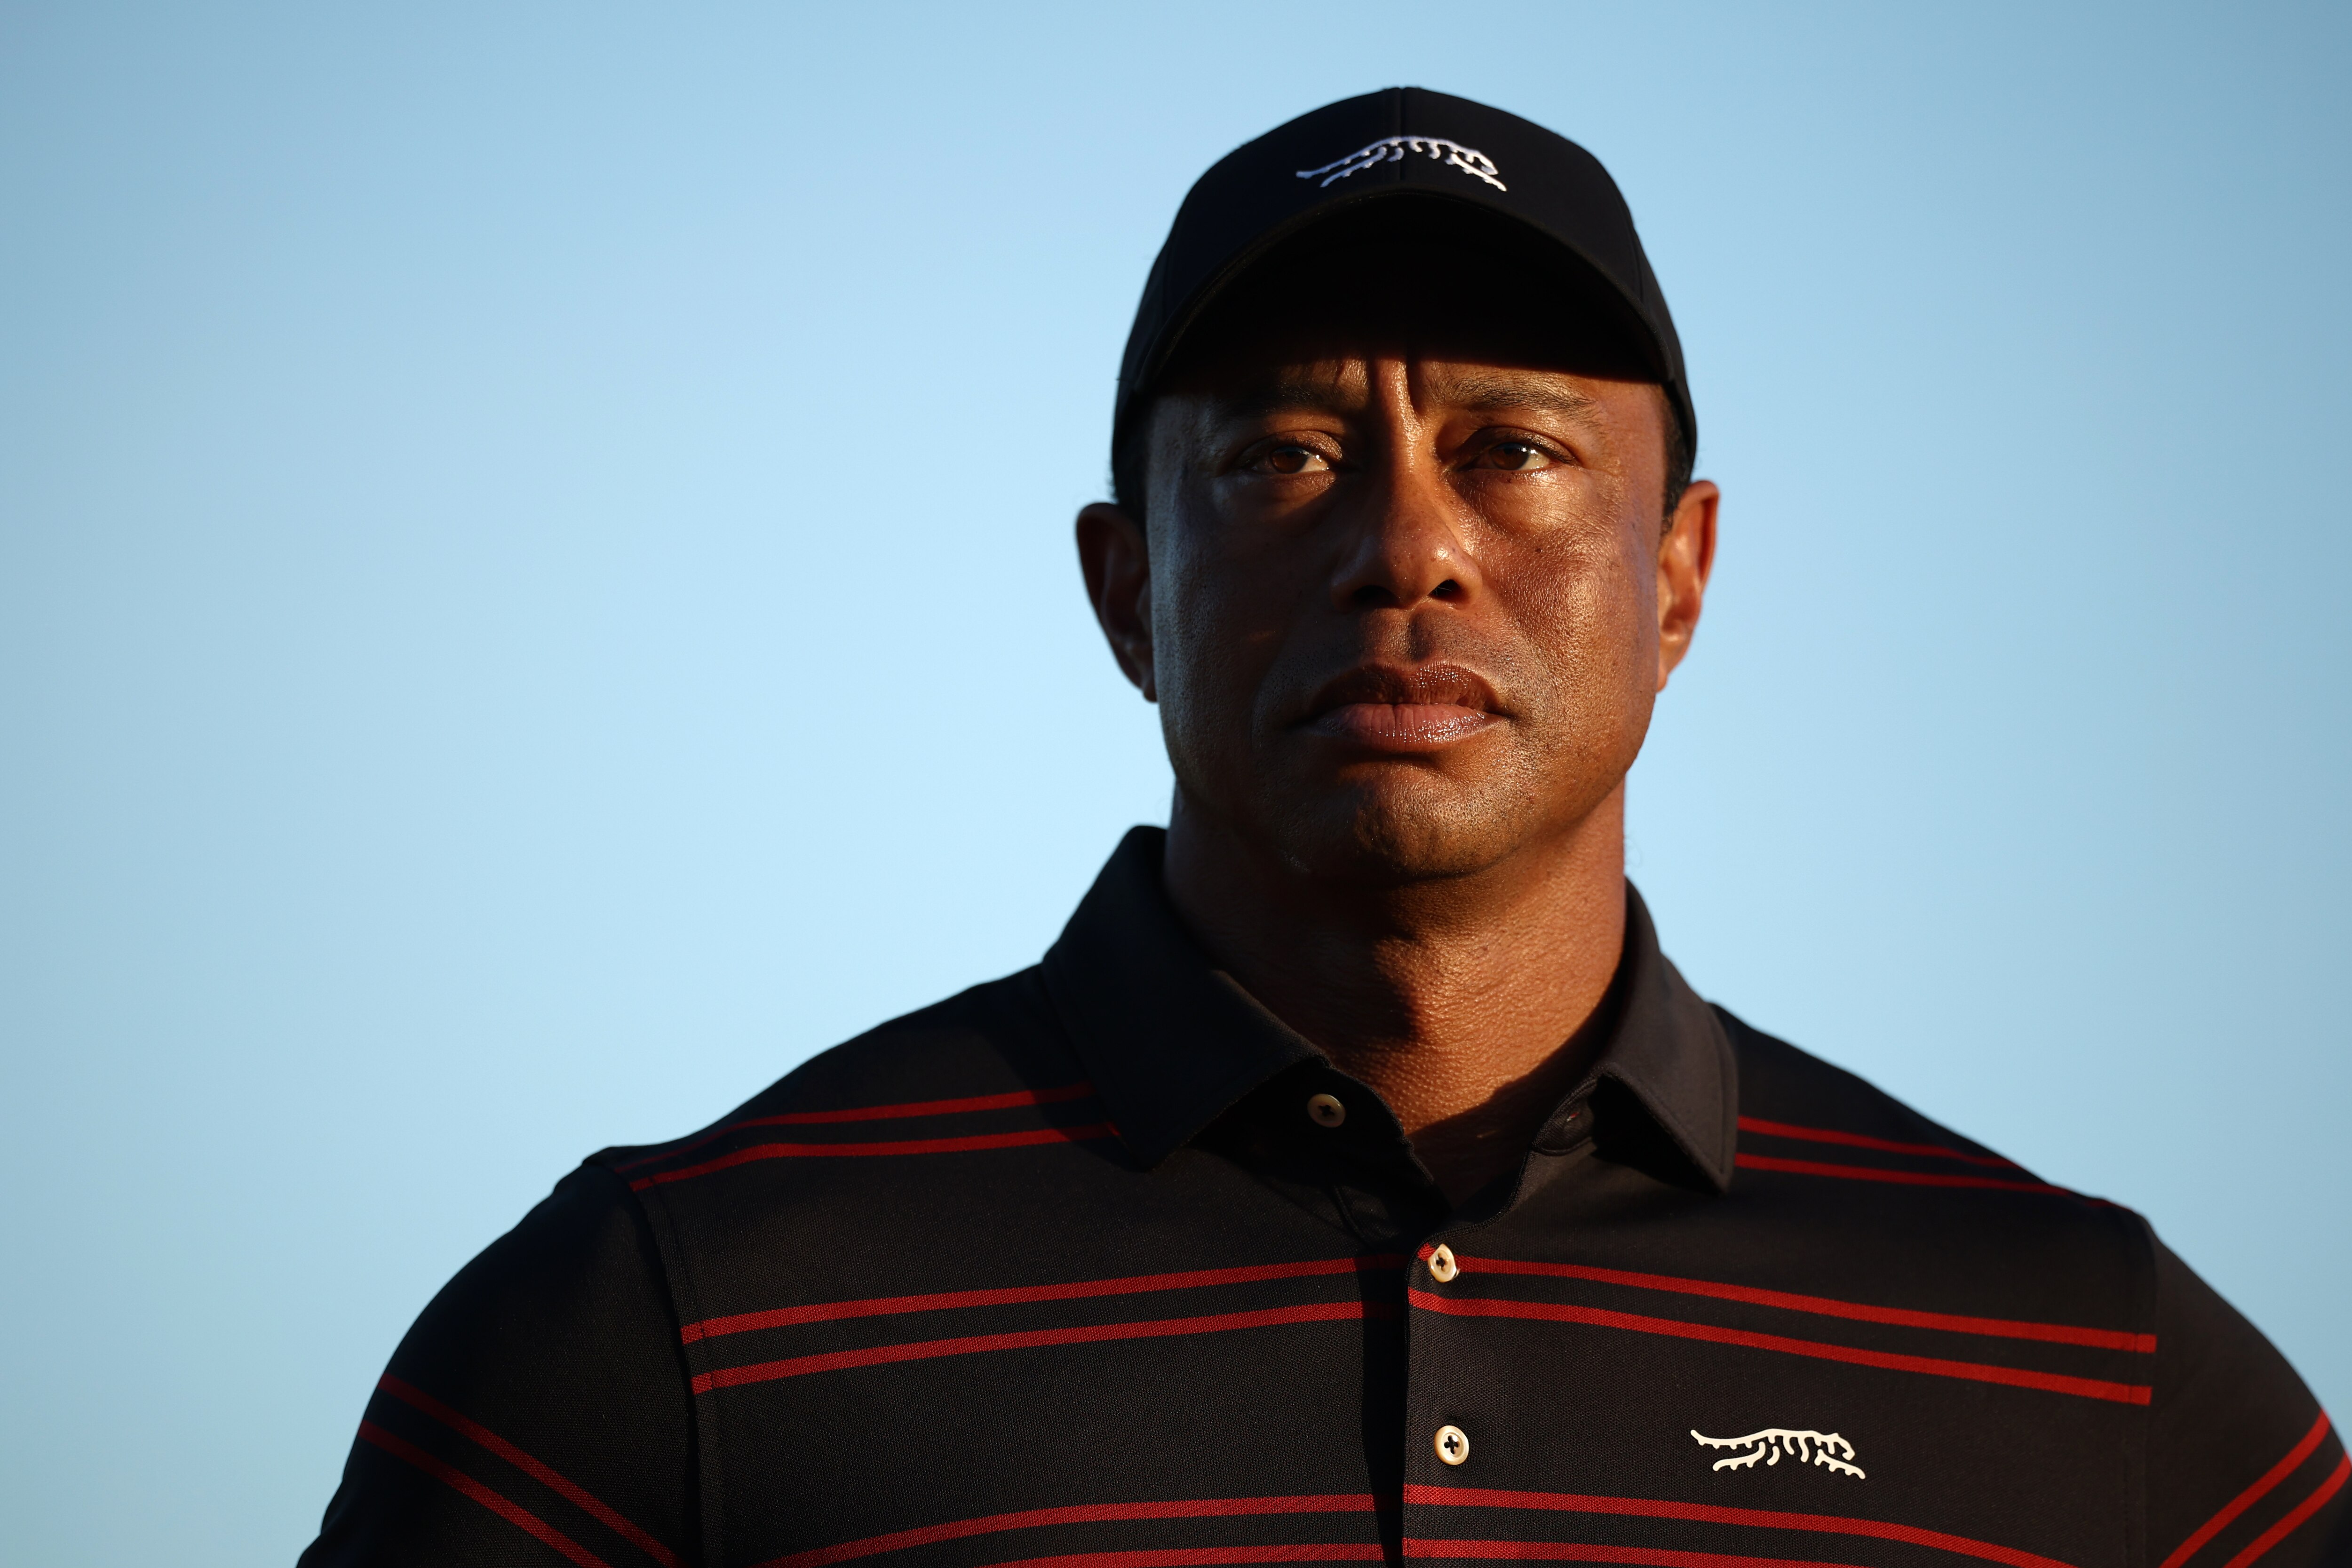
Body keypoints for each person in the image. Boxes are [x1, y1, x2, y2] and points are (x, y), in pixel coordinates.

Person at [299, 88, 2346, 1568]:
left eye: (1515, 452)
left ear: (1677, 580)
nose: (1406, 550)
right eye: (1284, 455)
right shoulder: (674, 1316)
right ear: (1126, 591)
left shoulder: (2085, 1370)